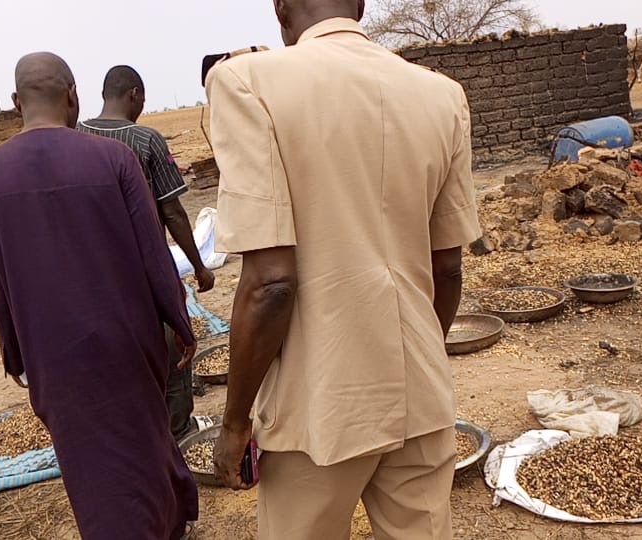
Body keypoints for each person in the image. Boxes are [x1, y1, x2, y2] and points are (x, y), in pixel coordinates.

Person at [205, 1, 482, 538]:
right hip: (419, 394)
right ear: (360, 5)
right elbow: (447, 269)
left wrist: (235, 422)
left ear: (281, 8)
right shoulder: (442, 94)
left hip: (320, 405)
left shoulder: (245, 81)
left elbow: (271, 283)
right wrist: (418, 356)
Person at [0, 52, 198, 540]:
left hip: (52, 353)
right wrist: (179, 319)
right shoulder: (113, 158)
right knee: (144, 438)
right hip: (127, 340)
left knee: (92, 462)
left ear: (16, 102)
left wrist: (13, 352)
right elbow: (153, 253)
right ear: (72, 95)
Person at [78, 65, 216, 442]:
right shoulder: (145, 140)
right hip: (143, 266)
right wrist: (200, 267)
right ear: (135, 94)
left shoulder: (76, 136)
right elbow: (172, 211)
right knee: (176, 345)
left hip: (92, 271)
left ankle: (132, 428)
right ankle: (179, 429)